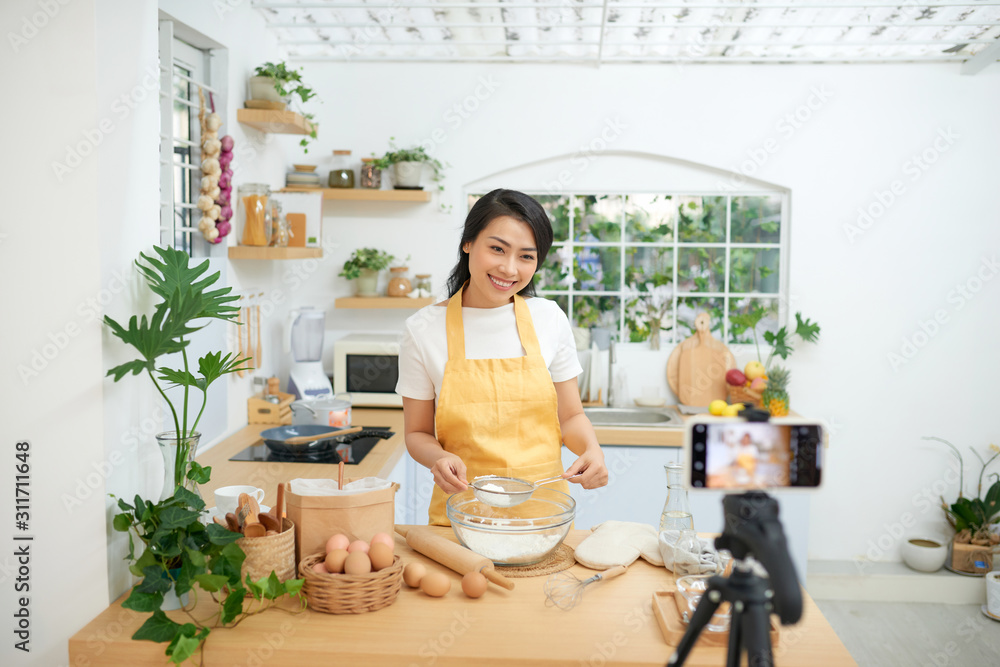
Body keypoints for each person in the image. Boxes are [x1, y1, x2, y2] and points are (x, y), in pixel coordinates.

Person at [396, 188, 609, 525]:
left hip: (542, 517)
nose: (509, 269)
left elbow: (570, 417)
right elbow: (417, 433)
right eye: (497, 249)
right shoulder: (423, 329)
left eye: (526, 256)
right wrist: (438, 457)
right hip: (463, 516)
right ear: (468, 243)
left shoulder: (549, 318)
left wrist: (591, 450)